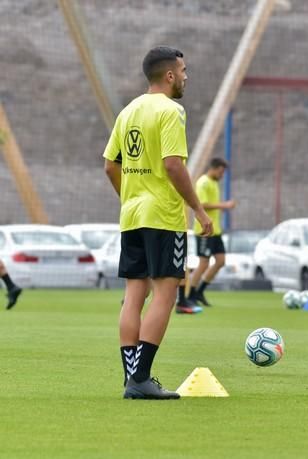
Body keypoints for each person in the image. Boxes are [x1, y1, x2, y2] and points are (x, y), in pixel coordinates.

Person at [103, 46, 213, 399]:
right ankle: (142, 377)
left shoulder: (128, 111)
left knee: (134, 294)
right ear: (169, 75)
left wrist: (131, 197)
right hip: (162, 215)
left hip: (131, 214)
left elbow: (110, 165)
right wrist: (197, 209)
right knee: (166, 292)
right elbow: (173, 165)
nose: (185, 76)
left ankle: (131, 378)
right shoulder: (171, 110)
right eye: (182, 70)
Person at [188, 157, 236, 306]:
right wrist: (225, 206)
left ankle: (200, 291)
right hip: (204, 230)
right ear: (214, 168)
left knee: (220, 261)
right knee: (203, 263)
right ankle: (189, 295)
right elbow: (202, 204)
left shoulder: (214, 183)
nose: (222, 175)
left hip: (215, 231)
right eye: (221, 172)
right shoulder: (203, 182)